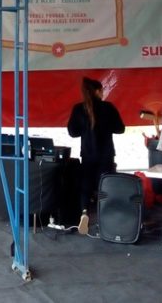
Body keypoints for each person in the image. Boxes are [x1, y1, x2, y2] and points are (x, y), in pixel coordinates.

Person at [67, 77, 125, 232]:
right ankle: (104, 217)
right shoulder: (108, 107)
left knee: (85, 185)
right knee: (105, 186)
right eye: (102, 90)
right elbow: (120, 129)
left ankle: (84, 212)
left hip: (87, 153)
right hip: (106, 154)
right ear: (98, 91)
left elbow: (72, 132)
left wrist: (85, 128)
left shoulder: (79, 109)